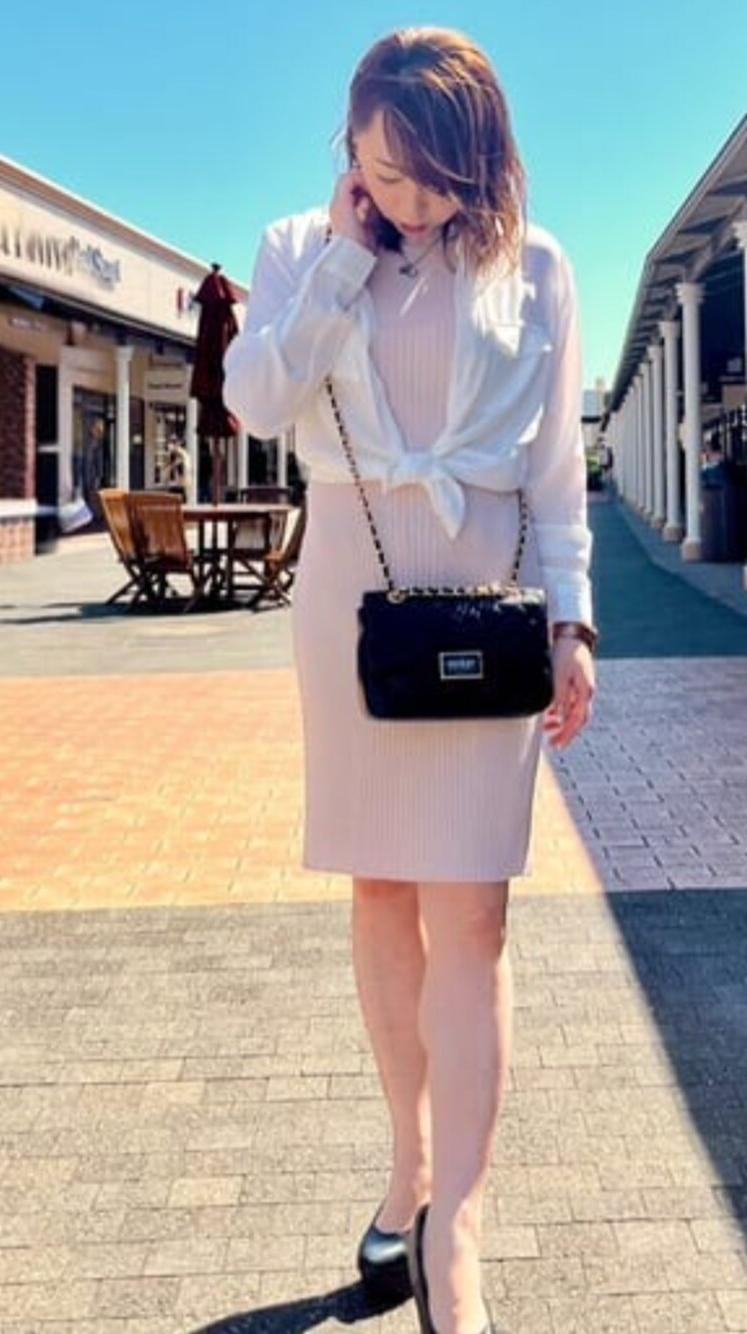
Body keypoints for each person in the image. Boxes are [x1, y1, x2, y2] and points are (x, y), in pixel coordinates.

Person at [224, 27, 596, 1334]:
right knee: (382, 890)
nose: (410, 199)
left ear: (481, 159)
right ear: (351, 149)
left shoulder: (536, 267)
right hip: (352, 605)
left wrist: (576, 624)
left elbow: (555, 474)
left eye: (434, 177)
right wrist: (342, 259)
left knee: (475, 918)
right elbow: (257, 400)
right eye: (384, 170)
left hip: (491, 613)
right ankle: (410, 1170)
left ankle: (459, 1229)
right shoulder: (298, 247)